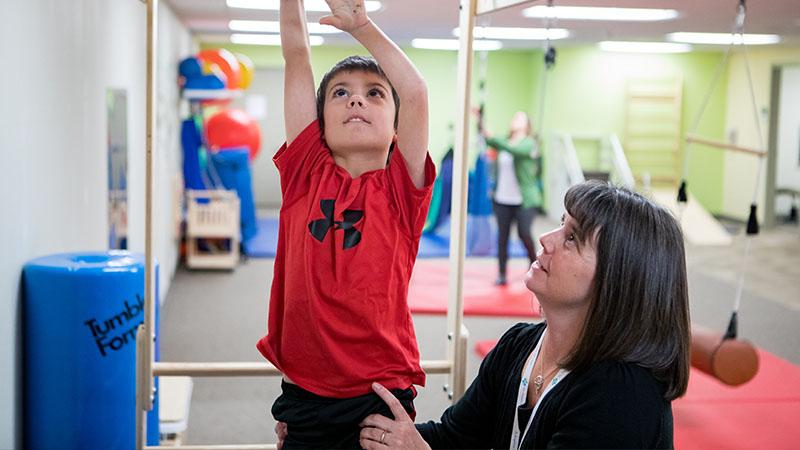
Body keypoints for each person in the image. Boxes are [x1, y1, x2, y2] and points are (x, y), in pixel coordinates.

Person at [357, 180, 691, 449]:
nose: (546, 239)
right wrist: (378, 430)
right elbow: (456, 437)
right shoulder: (519, 345)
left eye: (572, 238)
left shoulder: (621, 397)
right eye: (561, 224)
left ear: (617, 278)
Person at [256, 0, 435, 448]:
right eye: (340, 93)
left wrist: (362, 26)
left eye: (375, 93)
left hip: (377, 395)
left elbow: (415, 93)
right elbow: (297, 53)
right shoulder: (305, 172)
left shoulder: (401, 189)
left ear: (396, 127)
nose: (356, 98)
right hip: (305, 391)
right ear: (320, 124)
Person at [481, 111, 543, 285]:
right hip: (502, 199)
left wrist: (494, 139)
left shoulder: (529, 143)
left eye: (520, 117)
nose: (515, 118)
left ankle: (535, 266)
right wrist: (480, 119)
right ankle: (502, 274)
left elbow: (512, 149)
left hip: (525, 200)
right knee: (502, 237)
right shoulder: (504, 143)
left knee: (524, 233)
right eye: (513, 116)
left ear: (527, 125)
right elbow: (489, 140)